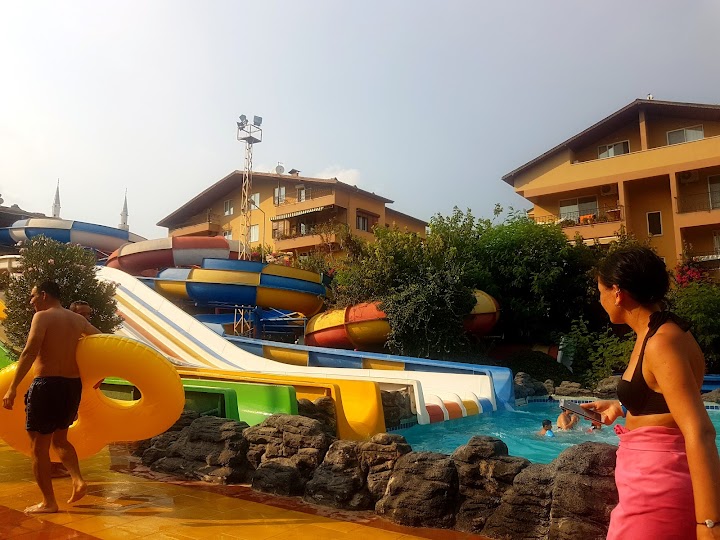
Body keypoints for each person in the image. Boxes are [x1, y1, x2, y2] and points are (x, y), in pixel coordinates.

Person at [580, 246, 720, 539]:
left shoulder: (661, 342)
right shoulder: (660, 331)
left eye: (600, 292)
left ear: (617, 292)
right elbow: (665, 399)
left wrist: (709, 525)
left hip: (658, 489)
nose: (599, 300)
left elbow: (700, 431)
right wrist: (622, 406)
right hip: (649, 483)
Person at [2, 281, 101, 514]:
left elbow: (30, 351)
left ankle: (49, 502)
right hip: (71, 386)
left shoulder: (42, 317)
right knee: (60, 439)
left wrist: (12, 387)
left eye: (33, 296)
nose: (31, 301)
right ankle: (77, 479)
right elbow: (101, 341)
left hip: (47, 385)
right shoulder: (78, 320)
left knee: (38, 448)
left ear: (44, 295)